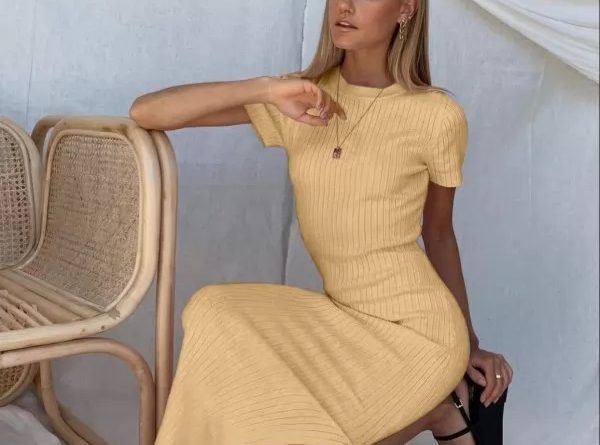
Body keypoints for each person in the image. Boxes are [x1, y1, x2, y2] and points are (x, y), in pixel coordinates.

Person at [130, 1, 513, 443]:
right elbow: (147, 113)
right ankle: (442, 411)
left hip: (419, 335)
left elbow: (439, 234)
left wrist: (469, 344)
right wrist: (266, 89)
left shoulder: (436, 116)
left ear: (406, 8)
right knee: (214, 308)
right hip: (341, 318)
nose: (344, 6)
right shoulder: (299, 99)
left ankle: (442, 402)